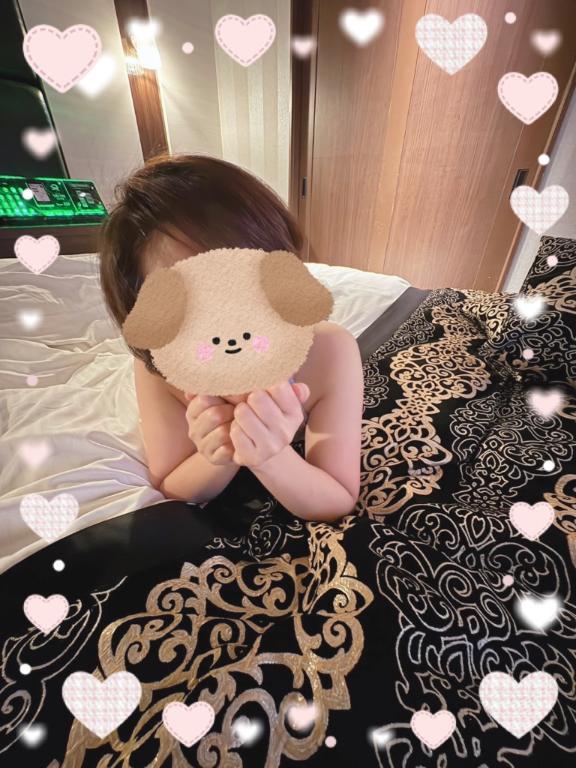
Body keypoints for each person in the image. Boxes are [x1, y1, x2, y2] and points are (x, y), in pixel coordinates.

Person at [100, 154, 363, 522]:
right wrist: (220, 451)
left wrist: (270, 456)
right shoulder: (158, 368)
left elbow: (337, 498)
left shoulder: (330, 351)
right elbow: (171, 484)